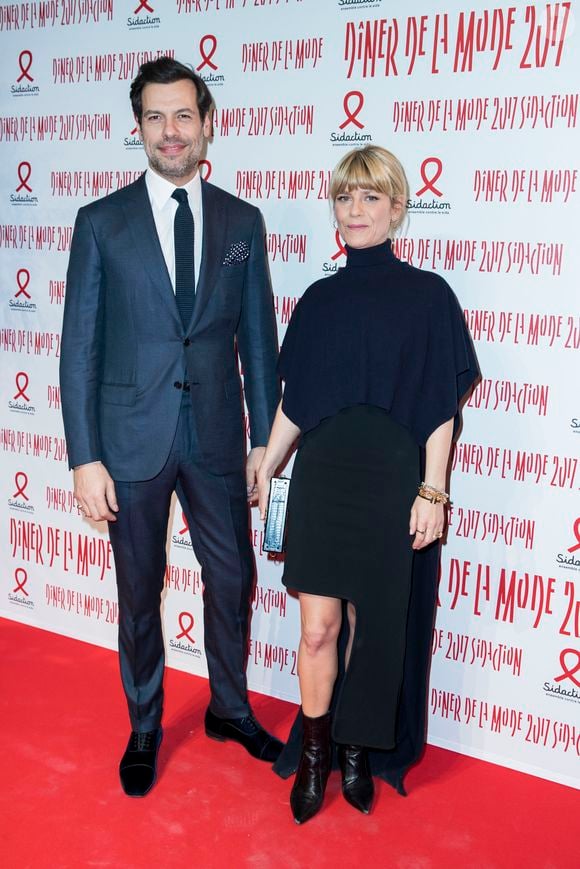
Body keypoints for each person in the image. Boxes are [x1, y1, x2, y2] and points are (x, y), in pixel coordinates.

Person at [59, 57, 282, 798]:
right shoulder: (101, 223)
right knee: (138, 588)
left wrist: (263, 441)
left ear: (208, 121)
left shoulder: (241, 224)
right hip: (130, 440)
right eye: (155, 117)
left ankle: (229, 707)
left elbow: (257, 338)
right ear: (138, 129)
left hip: (217, 433)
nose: (171, 130)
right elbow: (79, 346)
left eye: (183, 114)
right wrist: (85, 458)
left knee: (233, 577)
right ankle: (145, 724)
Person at [257, 145, 479, 824]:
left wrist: (433, 491)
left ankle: (357, 751)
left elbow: (440, 405)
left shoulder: (429, 296)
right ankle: (318, 752)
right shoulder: (320, 299)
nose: (355, 210)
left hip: (391, 480)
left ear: (397, 208)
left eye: (370, 198)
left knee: (371, 630)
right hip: (324, 477)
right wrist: (264, 464)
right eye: (345, 198)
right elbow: (299, 400)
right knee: (319, 628)